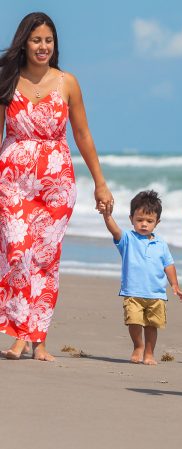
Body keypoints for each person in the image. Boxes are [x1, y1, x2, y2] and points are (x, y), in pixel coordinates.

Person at [0, 12, 114, 361]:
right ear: (24, 43)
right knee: (17, 252)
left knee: (46, 260)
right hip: (13, 183)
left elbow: (82, 134)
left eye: (48, 40)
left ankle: (39, 340)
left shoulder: (67, 82)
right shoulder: (7, 80)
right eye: (36, 40)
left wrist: (100, 183)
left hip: (56, 185)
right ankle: (19, 331)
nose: (43, 46)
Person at [98, 190, 182, 365]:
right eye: (139, 220)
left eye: (149, 221)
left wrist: (174, 284)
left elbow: (168, 265)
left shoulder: (161, 244)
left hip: (156, 294)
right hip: (133, 292)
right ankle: (138, 346)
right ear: (131, 219)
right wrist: (107, 216)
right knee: (134, 322)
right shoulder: (127, 239)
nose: (144, 224)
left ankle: (149, 353)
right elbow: (114, 230)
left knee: (153, 325)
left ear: (157, 222)